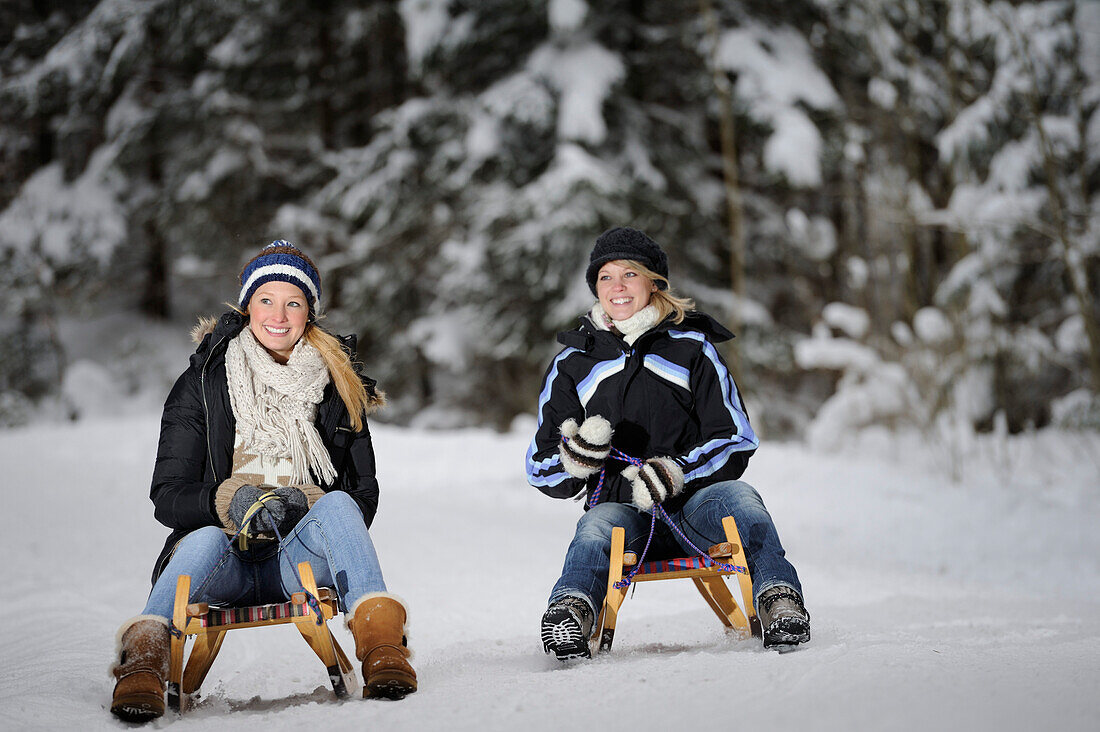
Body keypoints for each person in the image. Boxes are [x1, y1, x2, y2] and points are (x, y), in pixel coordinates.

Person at [110, 241, 416, 722]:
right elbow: (167, 496)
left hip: (298, 560)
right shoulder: (203, 382)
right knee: (203, 535)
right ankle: (145, 666)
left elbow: (362, 496)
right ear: (246, 305)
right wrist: (228, 498)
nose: (279, 314)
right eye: (266, 299)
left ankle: (383, 650)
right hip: (223, 558)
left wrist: (305, 500)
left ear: (309, 312)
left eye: (293, 302)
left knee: (338, 507)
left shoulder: (339, 385)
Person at [526, 227, 809, 660]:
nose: (617, 287)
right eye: (605, 277)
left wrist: (675, 472)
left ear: (653, 282)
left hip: (696, 511)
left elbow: (736, 437)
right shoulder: (573, 363)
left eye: (629, 274)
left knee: (742, 498)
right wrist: (577, 460)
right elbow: (538, 466)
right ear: (594, 287)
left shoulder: (691, 348)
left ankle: (779, 599)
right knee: (595, 527)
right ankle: (571, 613)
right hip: (625, 519)